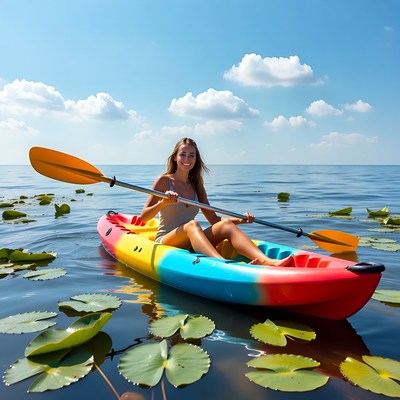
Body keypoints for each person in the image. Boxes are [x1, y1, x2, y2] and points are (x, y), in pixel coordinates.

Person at [140, 138, 293, 267]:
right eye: (183, 155)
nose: (187, 160)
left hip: (191, 242)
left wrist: (239, 220)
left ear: (196, 159)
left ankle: (266, 261)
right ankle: (223, 264)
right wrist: (163, 203)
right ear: (175, 157)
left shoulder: (197, 185)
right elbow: (144, 217)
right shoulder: (164, 181)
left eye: (191, 155)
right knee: (193, 225)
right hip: (167, 240)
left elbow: (213, 220)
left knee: (225, 225)